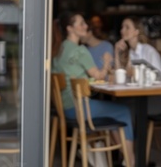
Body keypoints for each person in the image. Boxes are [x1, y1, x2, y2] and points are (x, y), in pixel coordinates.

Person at [51, 11, 136, 166]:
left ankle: (124, 159)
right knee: (123, 111)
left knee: (112, 116)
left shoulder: (60, 49)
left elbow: (73, 75)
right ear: (70, 28)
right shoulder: (80, 50)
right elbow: (99, 76)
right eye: (81, 23)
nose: (86, 26)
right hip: (79, 109)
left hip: (64, 108)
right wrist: (106, 61)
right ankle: (131, 161)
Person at [114, 16, 161, 116]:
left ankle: (134, 132)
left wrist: (137, 73)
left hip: (157, 98)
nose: (122, 30)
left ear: (136, 31)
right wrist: (116, 53)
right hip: (137, 97)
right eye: (122, 27)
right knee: (117, 106)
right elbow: (120, 78)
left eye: (127, 27)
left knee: (125, 110)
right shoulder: (129, 52)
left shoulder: (149, 51)